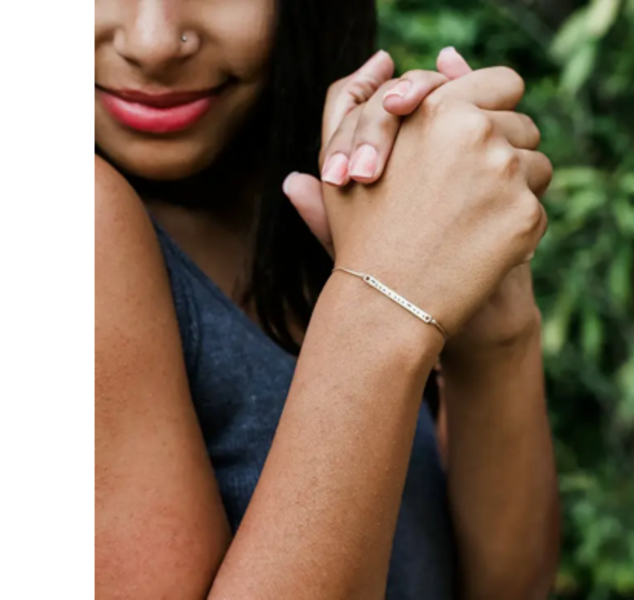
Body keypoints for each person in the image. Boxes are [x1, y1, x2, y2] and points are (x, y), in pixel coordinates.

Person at [95, 1, 560, 598]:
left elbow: (511, 588)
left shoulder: (298, 205)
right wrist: (382, 305)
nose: (153, 42)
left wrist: (496, 325)